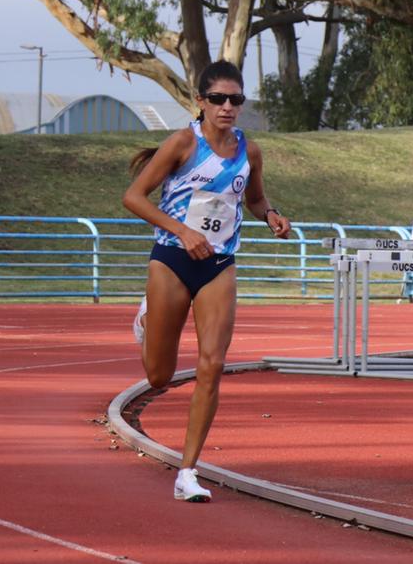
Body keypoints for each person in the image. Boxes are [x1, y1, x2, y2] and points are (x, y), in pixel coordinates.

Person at [122, 60, 291, 503]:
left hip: (219, 265)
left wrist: (270, 215)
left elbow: (254, 198)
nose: (227, 107)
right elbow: (133, 197)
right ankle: (147, 321)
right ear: (200, 102)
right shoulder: (182, 143)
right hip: (173, 261)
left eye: (236, 99)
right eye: (218, 98)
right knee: (158, 377)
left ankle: (188, 472)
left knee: (211, 365)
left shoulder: (249, 151)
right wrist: (181, 230)